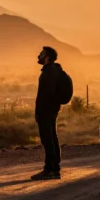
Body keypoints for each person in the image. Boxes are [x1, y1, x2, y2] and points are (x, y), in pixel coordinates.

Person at [31, 46, 63, 180]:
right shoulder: (54, 71)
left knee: (47, 139)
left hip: (46, 111)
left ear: (47, 57)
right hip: (51, 110)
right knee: (52, 138)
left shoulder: (48, 73)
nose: (38, 55)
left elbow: (45, 95)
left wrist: (39, 111)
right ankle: (55, 168)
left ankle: (49, 169)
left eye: (41, 54)